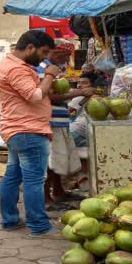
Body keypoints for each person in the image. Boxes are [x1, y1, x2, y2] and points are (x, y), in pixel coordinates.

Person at [0, 30, 60, 237]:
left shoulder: (13, 66)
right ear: (30, 47)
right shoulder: (16, 69)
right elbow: (34, 96)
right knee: (34, 180)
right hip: (28, 131)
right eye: (43, 52)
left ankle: (10, 219)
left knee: (12, 176)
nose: (44, 58)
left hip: (18, 130)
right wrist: (50, 74)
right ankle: (38, 225)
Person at [36, 39, 96, 208]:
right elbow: (49, 96)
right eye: (65, 55)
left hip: (60, 120)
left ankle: (59, 192)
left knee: (59, 160)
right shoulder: (44, 68)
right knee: (51, 161)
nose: (66, 60)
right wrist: (79, 92)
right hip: (51, 121)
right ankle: (47, 199)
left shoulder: (54, 69)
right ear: (55, 51)